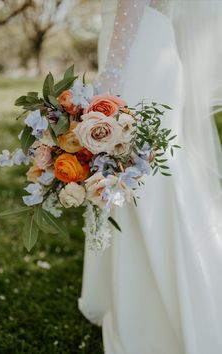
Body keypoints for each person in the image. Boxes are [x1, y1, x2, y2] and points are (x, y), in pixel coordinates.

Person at [79, 1, 222, 353]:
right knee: (149, 169)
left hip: (135, 49)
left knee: (139, 173)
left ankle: (152, 318)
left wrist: (113, 70)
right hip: (151, 41)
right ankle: (174, 295)